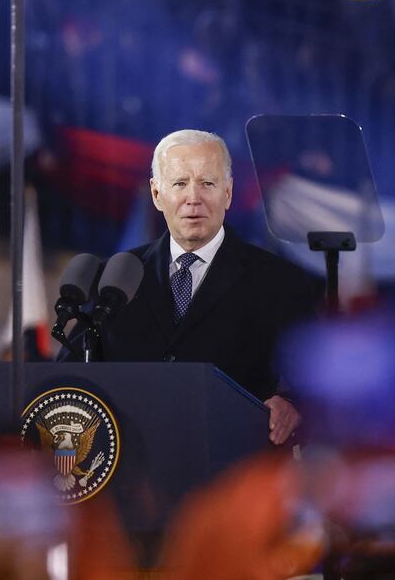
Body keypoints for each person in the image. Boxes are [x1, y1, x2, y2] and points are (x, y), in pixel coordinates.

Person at [96, 129, 321, 444]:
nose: (193, 198)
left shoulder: (280, 282)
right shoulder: (117, 275)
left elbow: (315, 381)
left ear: (227, 193)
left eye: (207, 183)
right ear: (157, 194)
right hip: (132, 463)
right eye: (179, 183)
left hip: (233, 470)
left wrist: (293, 405)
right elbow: (74, 369)